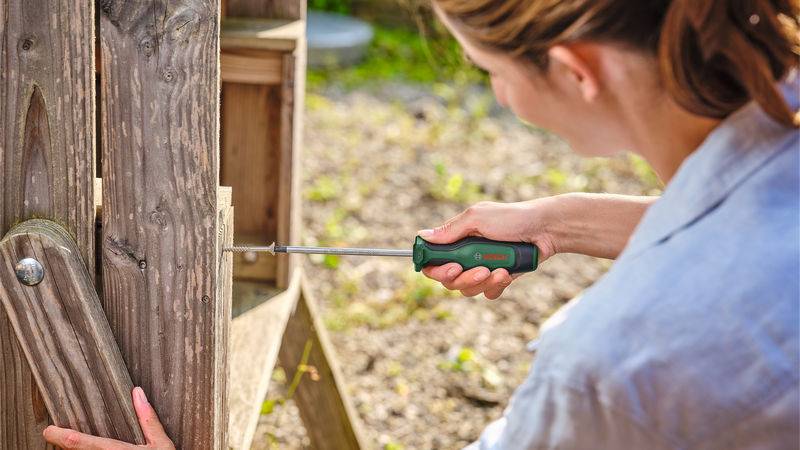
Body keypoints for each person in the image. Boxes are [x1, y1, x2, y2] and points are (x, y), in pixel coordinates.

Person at [44, 0, 799, 449]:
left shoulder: (620, 368)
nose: (499, 96)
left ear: (576, 70)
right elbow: (743, 231)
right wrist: (562, 222)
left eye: (488, 72)